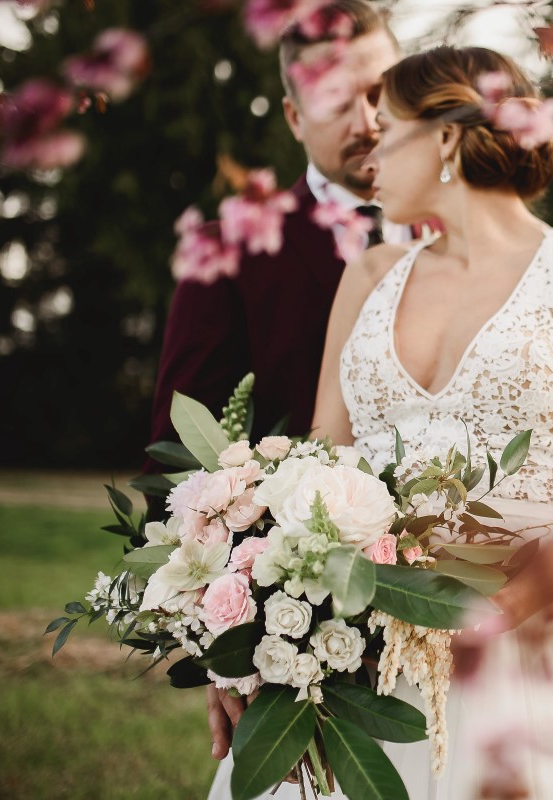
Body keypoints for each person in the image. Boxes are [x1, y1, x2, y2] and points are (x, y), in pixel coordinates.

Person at [211, 45, 553, 799]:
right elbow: (317, 464)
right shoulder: (368, 275)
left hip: (532, 636)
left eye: (389, 129)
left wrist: (498, 611)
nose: (368, 149)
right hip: (360, 646)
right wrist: (247, 635)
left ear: (445, 137)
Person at [142, 0, 404, 765]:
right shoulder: (230, 248)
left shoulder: (473, 235)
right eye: (334, 101)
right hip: (310, 636)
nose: (367, 119)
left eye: (382, 90)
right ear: (293, 116)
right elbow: (178, 457)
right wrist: (226, 639)